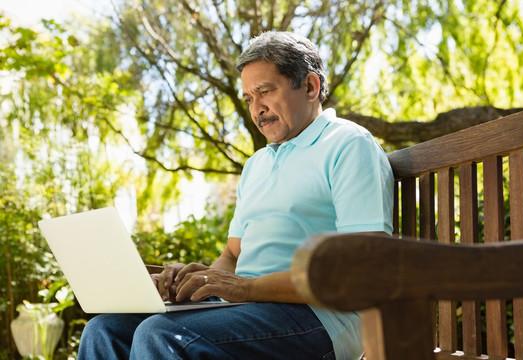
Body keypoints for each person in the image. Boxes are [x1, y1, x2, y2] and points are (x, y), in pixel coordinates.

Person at [78, 31, 394, 360]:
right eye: (248, 99)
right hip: (248, 306)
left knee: (163, 335)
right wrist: (199, 283)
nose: (257, 109)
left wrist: (245, 287)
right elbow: (231, 255)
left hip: (321, 316)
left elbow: (362, 267)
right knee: (104, 329)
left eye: (265, 92)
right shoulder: (258, 164)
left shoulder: (348, 145)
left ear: (311, 87)